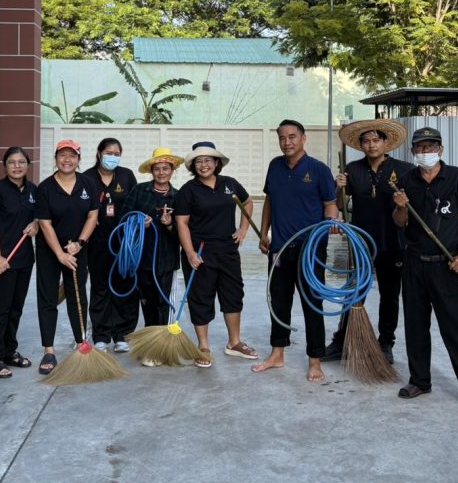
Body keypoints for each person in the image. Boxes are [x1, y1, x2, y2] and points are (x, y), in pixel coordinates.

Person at [392, 127, 458, 415]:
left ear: (441, 150)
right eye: (420, 147)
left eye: (431, 147)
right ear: (413, 152)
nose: (425, 152)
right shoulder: (406, 180)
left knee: (457, 328)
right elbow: (400, 221)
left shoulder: (456, 177)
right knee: (415, 326)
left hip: (446, 264)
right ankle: (419, 380)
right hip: (414, 263)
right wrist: (401, 206)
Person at [252, 120, 338, 382]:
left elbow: (330, 204)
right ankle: (277, 353)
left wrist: (332, 221)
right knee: (278, 302)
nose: (286, 142)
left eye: (292, 136)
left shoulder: (319, 170)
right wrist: (264, 232)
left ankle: (315, 360)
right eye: (282, 137)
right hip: (279, 248)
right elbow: (270, 201)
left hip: (310, 250)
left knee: (312, 304)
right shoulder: (275, 167)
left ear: (303, 139)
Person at [323, 119, 413, 365]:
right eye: (366, 141)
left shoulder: (404, 170)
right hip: (360, 242)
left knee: (390, 295)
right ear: (360, 145)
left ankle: (386, 343)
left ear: (386, 142)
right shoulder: (353, 169)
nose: (371, 145)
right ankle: (342, 339)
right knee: (354, 291)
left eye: (376, 140)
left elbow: (410, 207)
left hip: (393, 242)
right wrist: (339, 188)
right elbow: (338, 205)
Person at [174, 141, 259, 368]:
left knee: (233, 295)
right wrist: (190, 252)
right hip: (200, 253)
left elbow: (248, 202)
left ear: (216, 163)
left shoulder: (229, 184)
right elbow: (181, 223)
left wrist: (243, 229)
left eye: (208, 160)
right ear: (193, 166)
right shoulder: (188, 190)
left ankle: (234, 343)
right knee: (201, 298)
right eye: (199, 161)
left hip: (228, 250)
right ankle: (203, 346)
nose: (204, 165)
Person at [34, 139, 98, 375]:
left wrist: (80, 243)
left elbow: (92, 216)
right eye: (62, 155)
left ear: (79, 159)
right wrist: (60, 254)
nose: (67, 160)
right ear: (56, 159)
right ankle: (49, 350)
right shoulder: (45, 188)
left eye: (72, 155)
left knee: (77, 296)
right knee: (48, 298)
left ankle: (81, 343)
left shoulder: (88, 184)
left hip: (77, 250)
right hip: (49, 251)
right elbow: (45, 224)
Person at [121, 147, 185, 367]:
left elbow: (184, 232)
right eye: (157, 169)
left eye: (165, 168)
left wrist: (169, 225)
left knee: (163, 303)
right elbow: (124, 219)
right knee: (147, 302)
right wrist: (138, 222)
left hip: (166, 260)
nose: (161, 173)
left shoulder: (178, 196)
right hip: (142, 258)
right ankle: (150, 346)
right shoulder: (139, 191)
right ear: (151, 171)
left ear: (172, 170)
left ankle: (161, 347)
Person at [0, 147, 39, 379]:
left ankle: (9, 351)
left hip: (24, 259)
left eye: (21, 162)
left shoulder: (33, 190)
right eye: (12, 162)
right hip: (2, 261)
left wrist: (36, 224)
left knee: (16, 309)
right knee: (0, 310)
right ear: (4, 166)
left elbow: (40, 217)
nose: (17, 166)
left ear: (28, 165)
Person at [85, 138, 140, 353]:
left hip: (123, 242)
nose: (113, 157)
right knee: (100, 287)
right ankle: (101, 335)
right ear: (99, 153)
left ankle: (122, 334)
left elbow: (136, 203)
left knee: (124, 286)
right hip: (96, 242)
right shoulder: (87, 178)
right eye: (109, 152)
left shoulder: (126, 176)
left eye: (117, 154)